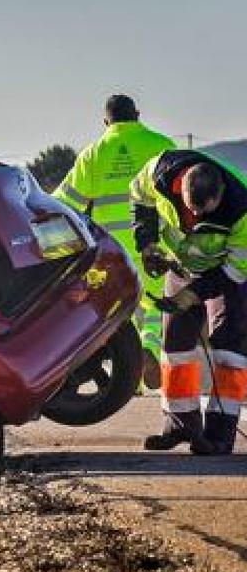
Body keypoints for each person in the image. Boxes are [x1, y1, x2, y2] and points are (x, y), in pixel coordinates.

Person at [54, 95, 175, 387]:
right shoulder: (162, 146)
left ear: (106, 122)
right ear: (137, 115)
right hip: (154, 243)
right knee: (157, 303)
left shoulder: (93, 154)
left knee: (124, 310)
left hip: (113, 249)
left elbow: (65, 203)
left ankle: (129, 373)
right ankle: (151, 348)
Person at [131, 152, 247, 454]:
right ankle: (180, 425)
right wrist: (147, 243)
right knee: (175, 345)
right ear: (181, 187)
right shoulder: (160, 171)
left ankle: (219, 435)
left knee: (227, 348)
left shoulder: (241, 209)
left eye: (204, 212)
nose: (195, 219)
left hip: (228, 274)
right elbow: (138, 195)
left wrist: (192, 295)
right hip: (183, 266)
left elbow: (235, 270)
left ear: (219, 195)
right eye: (191, 210)